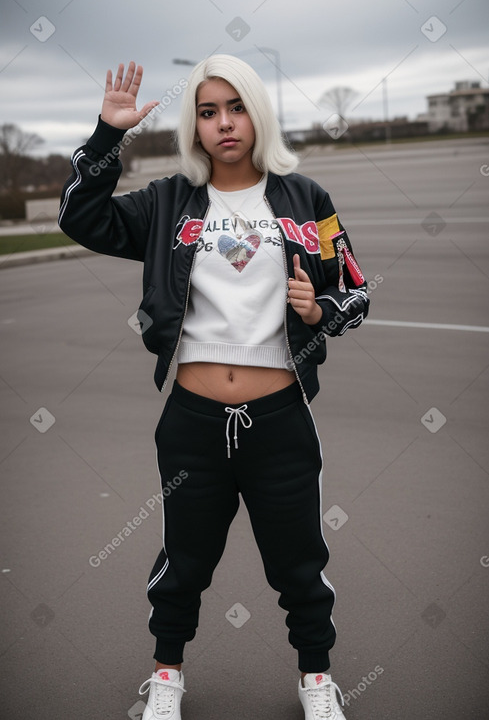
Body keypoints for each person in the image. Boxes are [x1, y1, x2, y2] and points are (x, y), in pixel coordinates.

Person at [59, 55, 370, 720]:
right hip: (192, 419)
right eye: (207, 111)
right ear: (193, 125)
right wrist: (108, 137)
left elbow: (354, 287)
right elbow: (79, 219)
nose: (223, 122)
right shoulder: (167, 201)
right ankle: (165, 678)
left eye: (234, 107)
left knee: (298, 564)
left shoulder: (305, 199)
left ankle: (316, 681)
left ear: (256, 112)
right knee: (184, 561)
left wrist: (320, 312)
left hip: (282, 419)